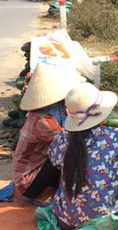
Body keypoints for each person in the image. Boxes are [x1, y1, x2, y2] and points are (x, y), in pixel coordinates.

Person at [48, 83, 118, 230]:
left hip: (66, 221)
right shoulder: (117, 136)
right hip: (113, 220)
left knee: (70, 165)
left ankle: (75, 206)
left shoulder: (60, 139)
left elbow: (54, 162)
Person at [12, 63, 82, 198]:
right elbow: (68, 141)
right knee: (70, 154)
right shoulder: (42, 121)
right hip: (27, 183)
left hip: (36, 170)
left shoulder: (55, 111)